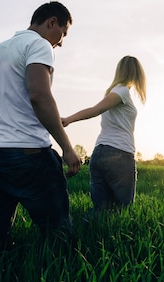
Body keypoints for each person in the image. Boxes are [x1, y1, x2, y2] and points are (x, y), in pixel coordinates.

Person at [0, 1, 81, 264]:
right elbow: (40, 95)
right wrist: (67, 147)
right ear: (52, 22)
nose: (60, 43)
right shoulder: (39, 45)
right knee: (58, 234)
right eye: (62, 35)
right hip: (28, 157)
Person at [62, 56, 146, 212]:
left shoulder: (115, 92)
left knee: (101, 210)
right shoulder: (121, 92)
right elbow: (96, 110)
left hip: (100, 153)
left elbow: (97, 109)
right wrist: (69, 119)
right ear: (136, 73)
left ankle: (81, 234)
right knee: (122, 210)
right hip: (119, 154)